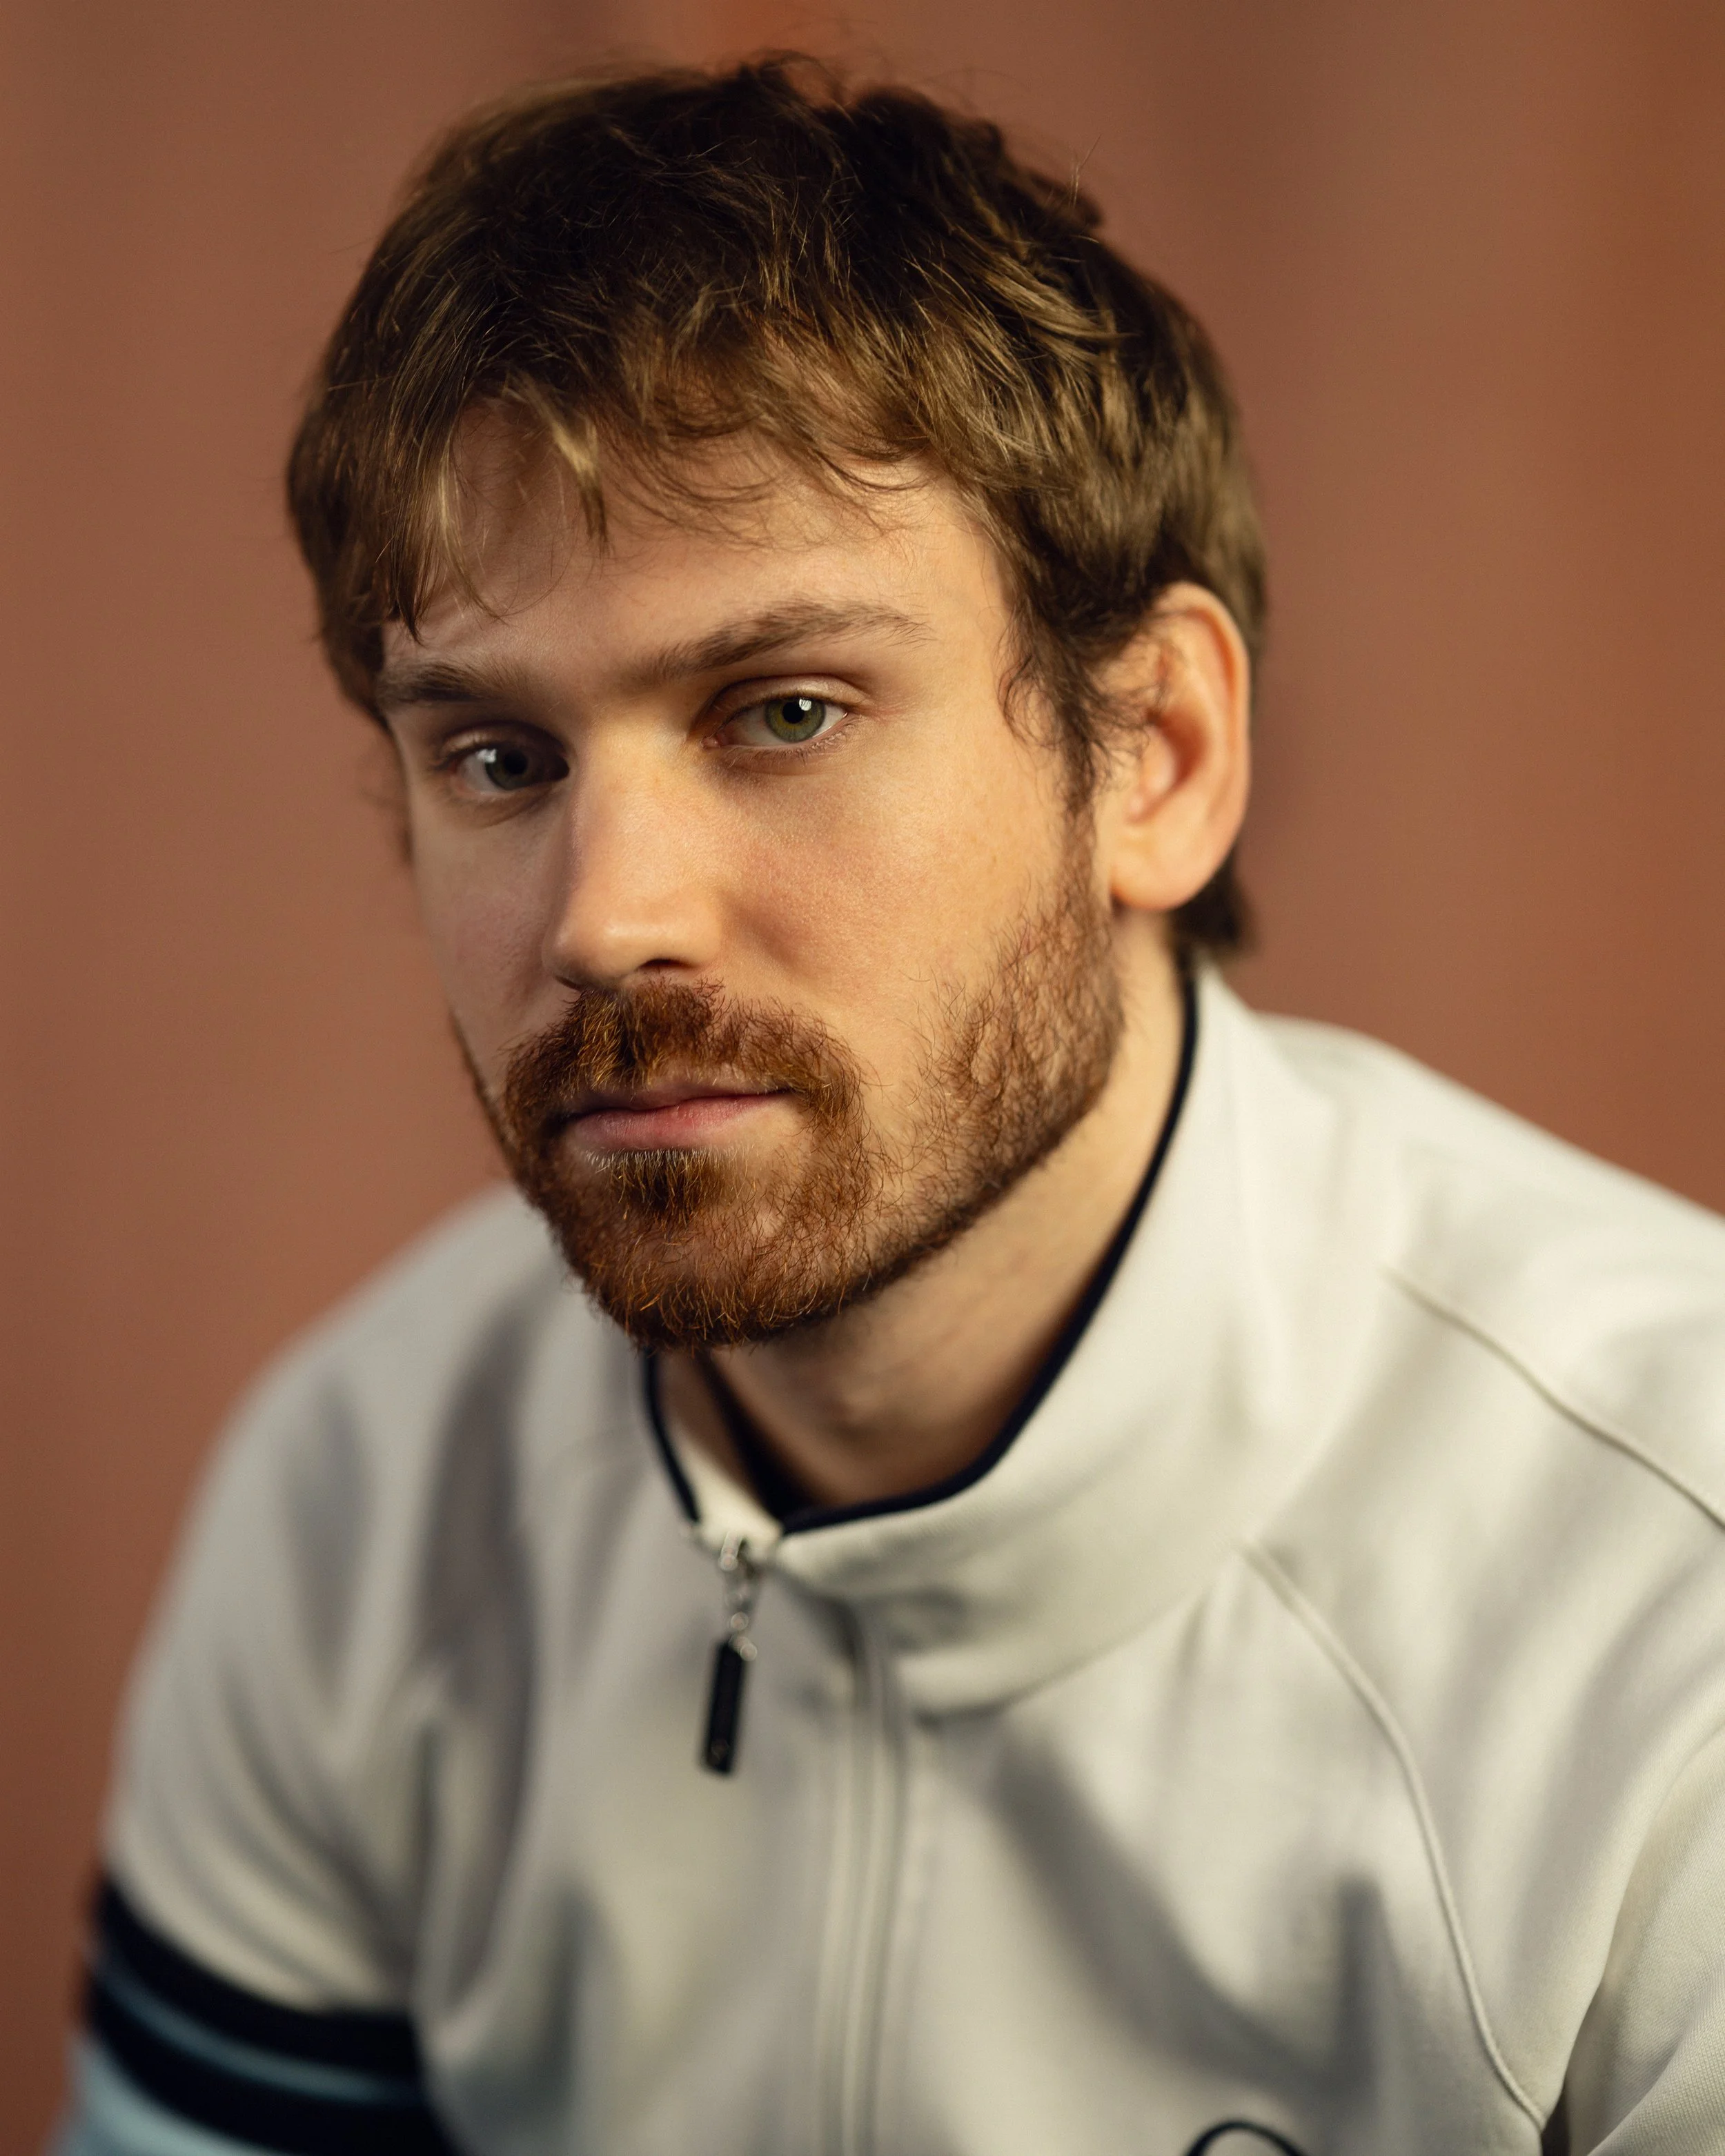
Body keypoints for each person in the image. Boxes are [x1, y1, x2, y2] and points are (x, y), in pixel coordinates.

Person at [57, 55, 1725, 2156]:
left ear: (1156, 756)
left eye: (782, 711)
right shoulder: (365, 1501)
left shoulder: (1666, 1622)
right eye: (497, 755)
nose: (607, 918)